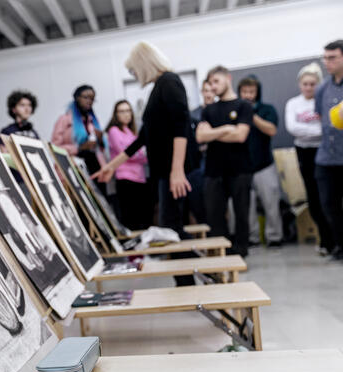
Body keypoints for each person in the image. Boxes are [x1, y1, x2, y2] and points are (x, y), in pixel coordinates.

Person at [93, 41, 195, 286]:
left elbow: (182, 127)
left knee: (171, 228)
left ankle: (191, 281)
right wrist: (112, 166)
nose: (134, 75)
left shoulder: (169, 82)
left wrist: (177, 170)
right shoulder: (158, 88)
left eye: (133, 70)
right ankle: (188, 280)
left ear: (143, 65)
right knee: (172, 227)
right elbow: (143, 138)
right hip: (164, 172)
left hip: (172, 171)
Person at [196, 66, 253, 257]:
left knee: (241, 213)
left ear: (228, 78)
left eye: (216, 81)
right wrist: (226, 129)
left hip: (239, 168)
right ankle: (222, 253)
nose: (212, 87)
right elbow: (200, 137)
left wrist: (212, 133)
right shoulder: (209, 110)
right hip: (214, 170)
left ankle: (241, 251)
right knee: (215, 215)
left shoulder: (243, 106)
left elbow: (240, 136)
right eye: (210, 83)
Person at [285, 62, 334, 255]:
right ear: (299, 84)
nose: (308, 88)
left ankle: (335, 240)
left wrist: (312, 132)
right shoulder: (293, 104)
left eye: (312, 84)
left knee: (329, 198)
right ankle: (326, 240)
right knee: (313, 198)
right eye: (305, 84)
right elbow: (293, 128)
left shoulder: (323, 100)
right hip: (303, 152)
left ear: (318, 84)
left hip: (325, 151)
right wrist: (318, 130)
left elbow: (329, 127)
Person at [238, 76, 282, 247]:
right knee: (246, 207)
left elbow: (272, 130)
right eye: (244, 92)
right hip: (243, 167)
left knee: (271, 203)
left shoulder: (267, 109)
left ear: (257, 92)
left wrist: (252, 116)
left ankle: (275, 237)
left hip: (264, 165)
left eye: (251, 91)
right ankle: (252, 237)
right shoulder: (235, 111)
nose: (248, 95)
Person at [314, 39, 343, 261]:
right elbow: (322, 118)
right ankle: (339, 246)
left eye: (332, 57)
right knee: (329, 206)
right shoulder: (323, 87)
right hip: (326, 157)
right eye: (325, 57)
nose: (327, 62)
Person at [52, 85, 107, 194]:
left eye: (92, 98)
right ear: (77, 97)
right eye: (86, 97)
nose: (89, 101)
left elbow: (100, 150)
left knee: (100, 202)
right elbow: (54, 147)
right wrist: (78, 148)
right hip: (74, 168)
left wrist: (100, 141)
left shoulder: (92, 121)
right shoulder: (64, 120)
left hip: (95, 167)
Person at [106, 100, 152, 230]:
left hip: (139, 177)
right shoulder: (114, 131)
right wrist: (140, 154)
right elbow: (126, 152)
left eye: (128, 110)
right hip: (125, 179)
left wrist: (139, 154)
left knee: (142, 218)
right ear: (116, 114)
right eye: (122, 111)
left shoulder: (131, 132)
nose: (126, 114)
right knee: (131, 219)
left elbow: (140, 154)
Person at [185, 80, 216, 224]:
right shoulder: (195, 115)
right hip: (198, 164)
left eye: (211, 90)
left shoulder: (220, 110)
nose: (208, 94)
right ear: (202, 92)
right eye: (205, 90)